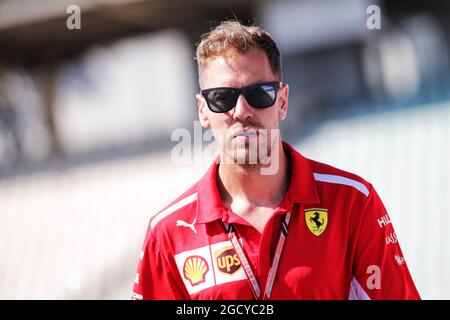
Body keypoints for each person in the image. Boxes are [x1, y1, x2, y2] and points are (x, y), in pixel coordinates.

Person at [131, 20, 420, 300]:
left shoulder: (352, 201)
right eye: (222, 97)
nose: (242, 111)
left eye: (258, 94)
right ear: (203, 111)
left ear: (281, 102)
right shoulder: (168, 232)